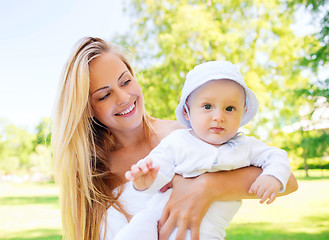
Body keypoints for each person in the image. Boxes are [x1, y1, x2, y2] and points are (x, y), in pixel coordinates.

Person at [51, 37, 298, 240]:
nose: (124, 97)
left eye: (126, 81)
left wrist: (206, 186)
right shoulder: (92, 170)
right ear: (87, 108)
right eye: (104, 96)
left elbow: (289, 181)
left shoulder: (181, 136)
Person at [116, 61, 291, 240]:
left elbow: (276, 156)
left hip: (205, 231)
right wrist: (145, 181)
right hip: (155, 220)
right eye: (207, 106)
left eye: (230, 108)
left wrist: (272, 176)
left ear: (243, 112)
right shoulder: (177, 141)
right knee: (133, 232)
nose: (219, 117)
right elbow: (160, 168)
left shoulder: (246, 146)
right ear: (187, 112)